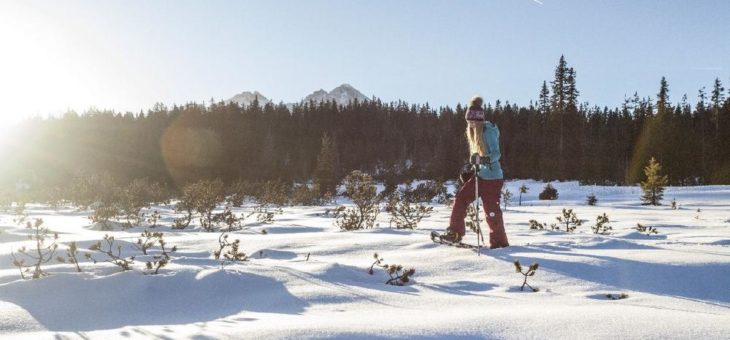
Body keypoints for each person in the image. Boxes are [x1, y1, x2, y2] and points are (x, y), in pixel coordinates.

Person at [441, 96, 509, 249]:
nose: (471, 124)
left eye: (473, 122)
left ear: (479, 121)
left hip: (492, 178)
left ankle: (499, 242)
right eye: (469, 122)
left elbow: (497, 154)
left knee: (491, 211)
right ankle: (455, 232)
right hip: (480, 177)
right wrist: (470, 170)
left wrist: (484, 160)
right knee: (461, 198)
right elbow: (475, 157)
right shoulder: (472, 133)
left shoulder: (488, 131)